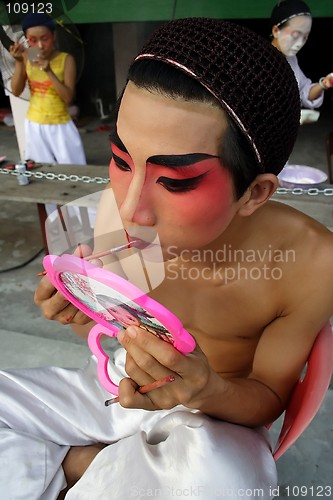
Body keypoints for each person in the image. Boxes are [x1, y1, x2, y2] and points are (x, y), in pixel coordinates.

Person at [1, 17, 333, 500]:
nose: (131, 206)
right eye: (120, 159)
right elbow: (116, 327)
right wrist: (82, 312)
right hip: (118, 383)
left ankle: (74, 468)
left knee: (221, 481)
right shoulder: (120, 208)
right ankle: (86, 466)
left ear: (255, 193)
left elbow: (268, 397)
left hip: (212, 419)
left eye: (175, 181)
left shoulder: (310, 261)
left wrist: (206, 390)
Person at [9, 12, 86, 165]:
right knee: (41, 169)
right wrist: (18, 62)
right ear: (26, 40)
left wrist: (49, 71)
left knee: (73, 168)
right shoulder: (26, 57)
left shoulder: (66, 59)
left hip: (60, 124)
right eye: (33, 40)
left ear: (54, 36)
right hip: (34, 124)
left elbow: (68, 98)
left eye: (45, 39)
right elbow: (16, 91)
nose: (40, 45)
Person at [270, 0, 333, 115]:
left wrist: (323, 84)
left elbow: (304, 93)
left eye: (305, 37)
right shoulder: (259, 60)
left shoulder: (292, 60)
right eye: (295, 35)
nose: (299, 43)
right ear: (276, 31)